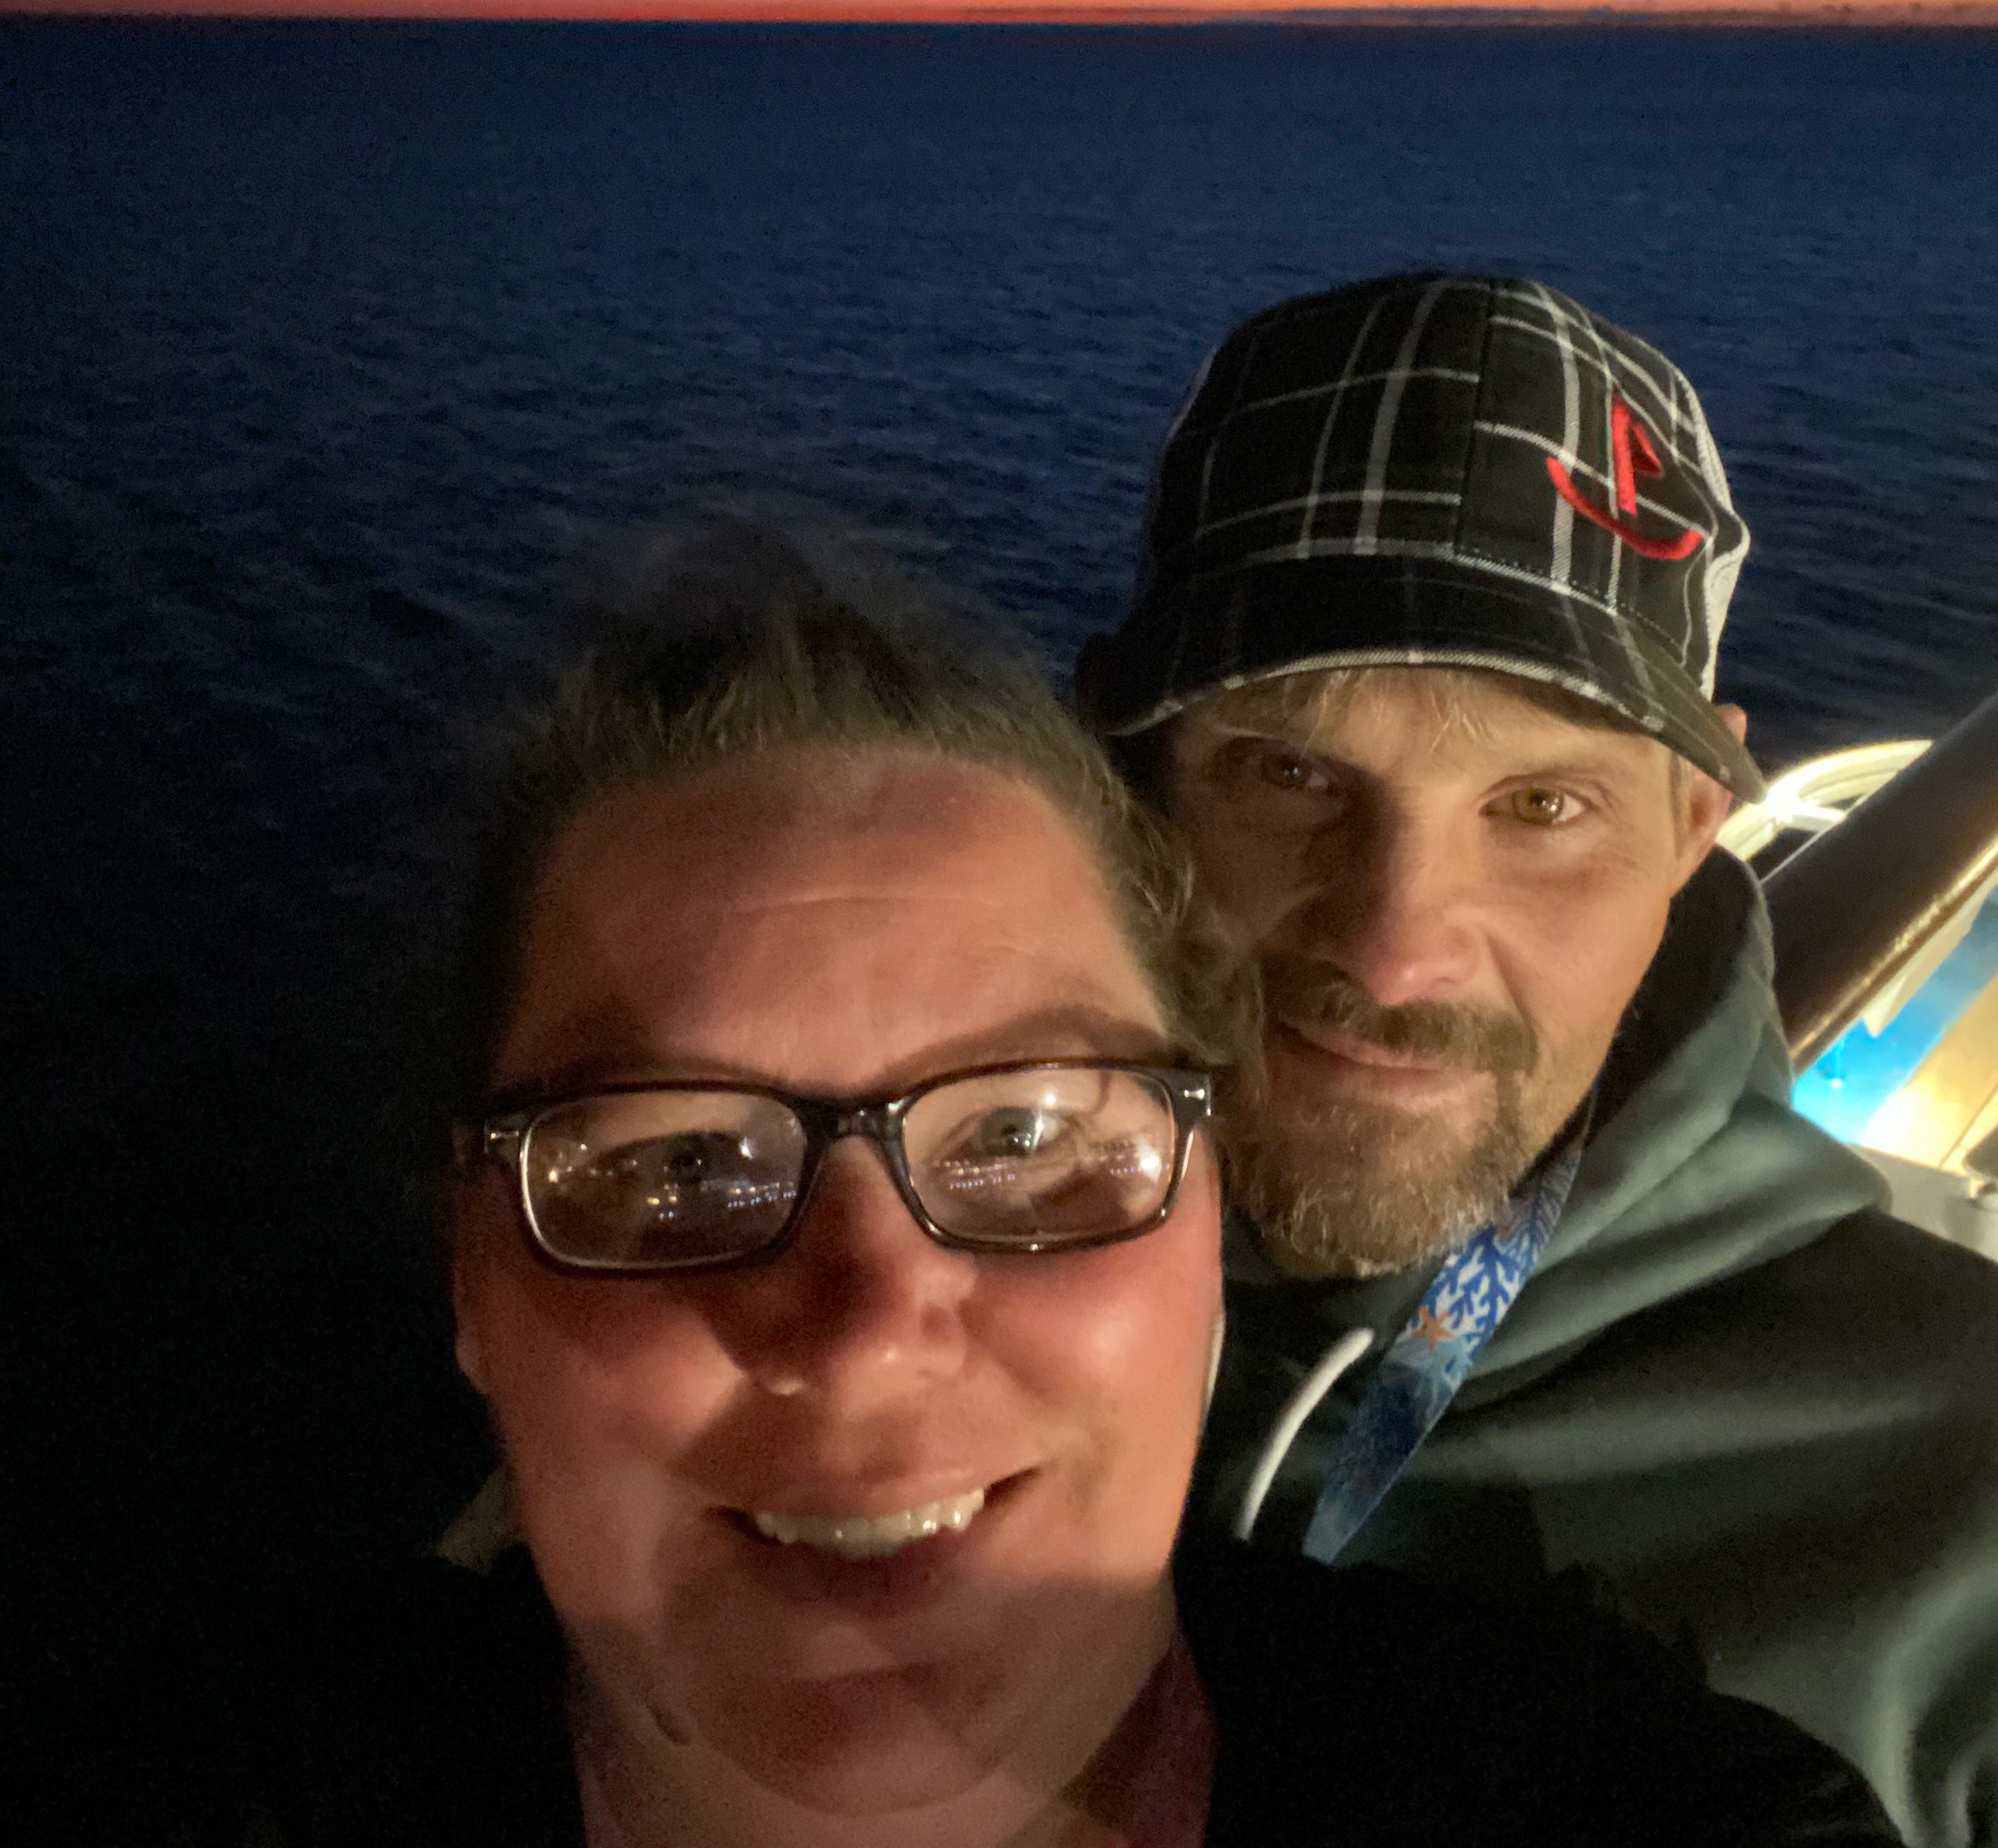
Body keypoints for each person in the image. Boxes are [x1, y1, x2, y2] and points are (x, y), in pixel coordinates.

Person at [60, 518, 1897, 1846]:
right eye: (681, 1162)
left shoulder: (1615, 1796)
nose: (868, 1327)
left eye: (1022, 1135)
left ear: (1210, 1210)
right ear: (474, 1272)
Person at [1076, 270, 1998, 1848]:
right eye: (1290, 773)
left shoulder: (1963, 1493)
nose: (1394, 948)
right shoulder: (902, 1287)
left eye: (1544, 807)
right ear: (1126, 785)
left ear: (1693, 830)